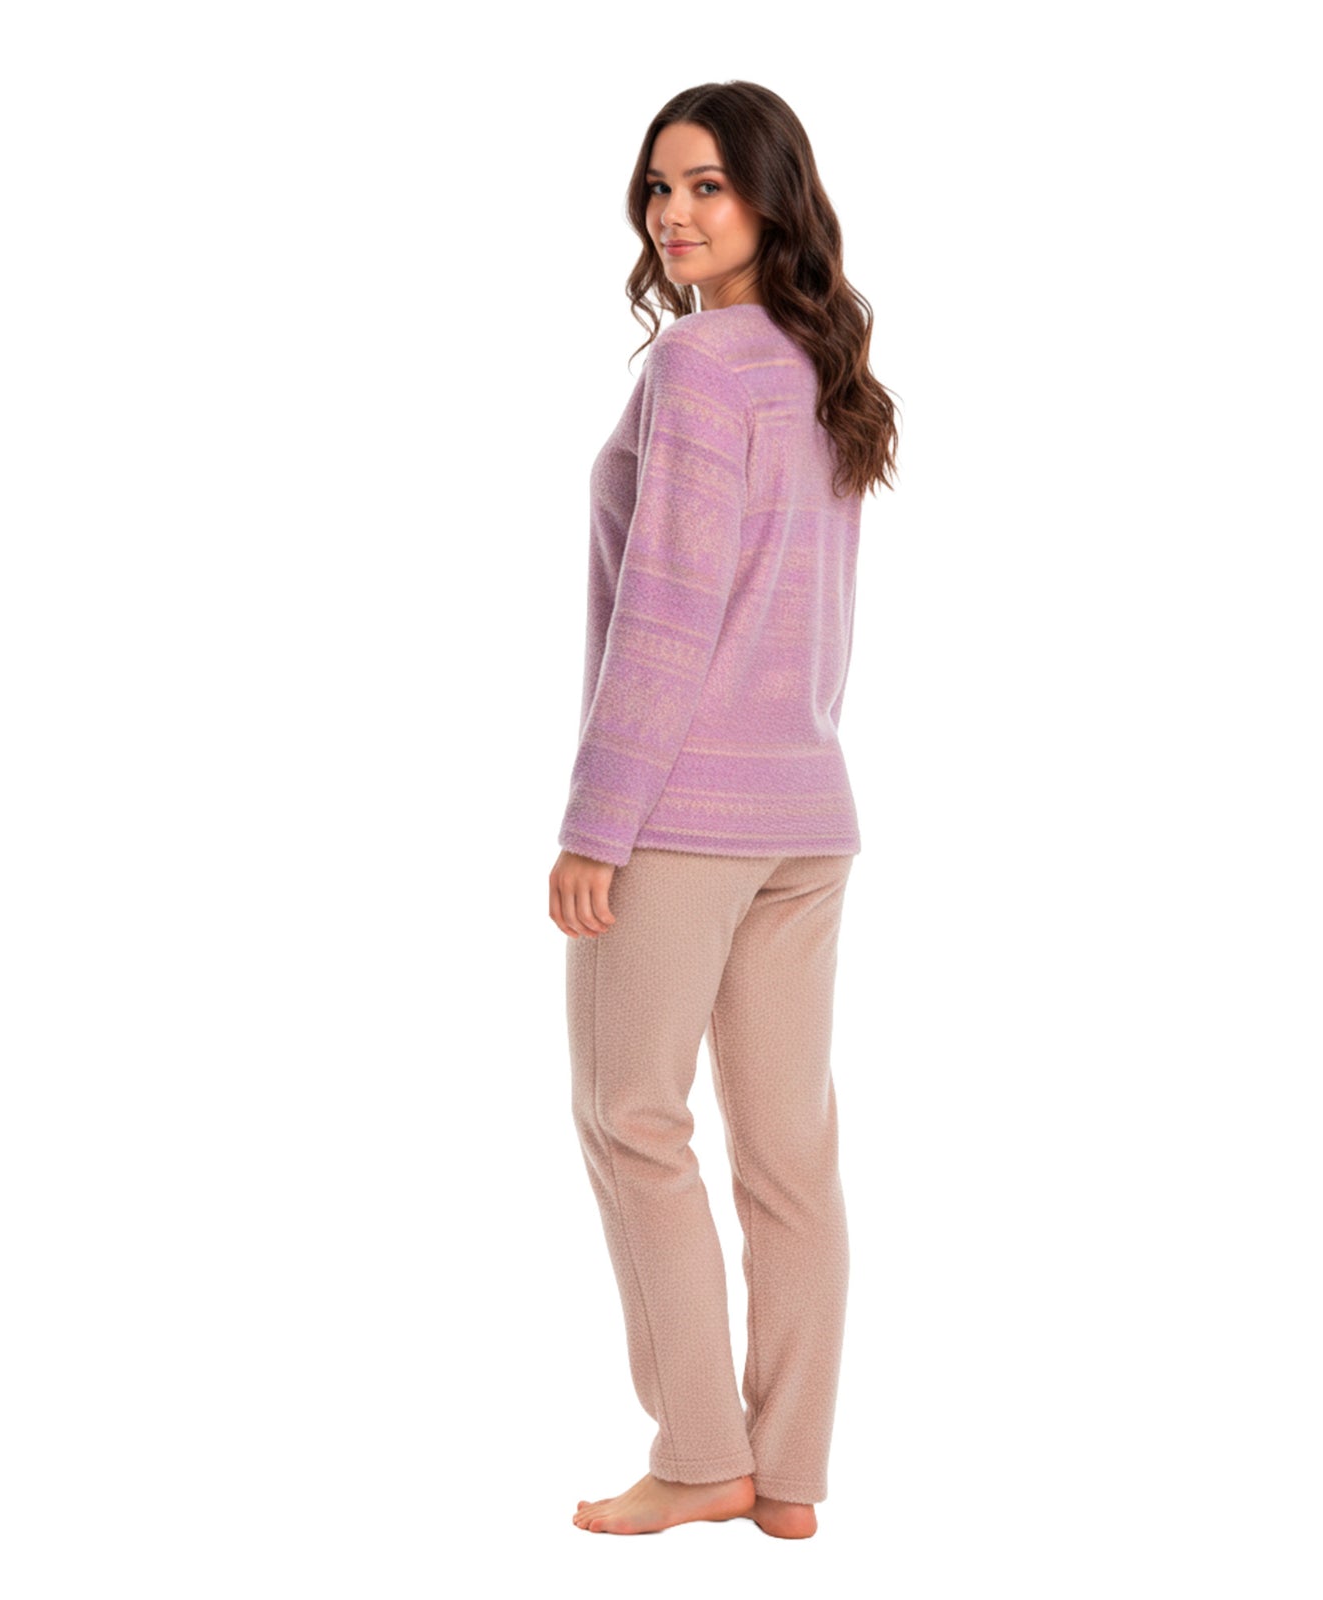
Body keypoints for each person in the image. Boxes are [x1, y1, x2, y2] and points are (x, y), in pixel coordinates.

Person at [548, 80, 899, 1540]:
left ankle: (703, 1455)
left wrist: (596, 823)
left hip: (685, 812)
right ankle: (789, 1474)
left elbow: (670, 613)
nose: (675, 215)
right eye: (659, 187)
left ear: (771, 197)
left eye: (707, 186)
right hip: (808, 809)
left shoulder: (699, 366)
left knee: (632, 1120)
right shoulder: (824, 370)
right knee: (787, 1153)